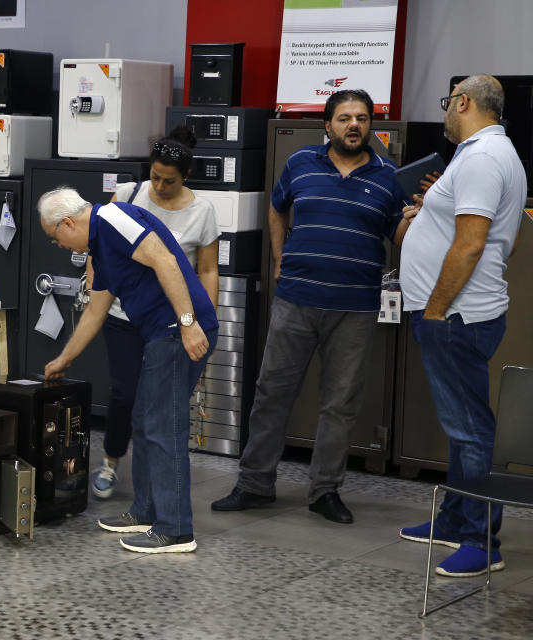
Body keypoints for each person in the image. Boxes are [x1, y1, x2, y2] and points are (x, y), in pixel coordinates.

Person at [210, 89, 414, 524]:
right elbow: (277, 208)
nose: (354, 125)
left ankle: (324, 492)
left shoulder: (388, 177)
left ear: (371, 126)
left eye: (362, 118)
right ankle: (254, 484)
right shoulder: (300, 163)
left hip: (355, 308)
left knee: (340, 404)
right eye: (344, 118)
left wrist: (418, 215)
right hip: (296, 301)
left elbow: (398, 236)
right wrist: (280, 259)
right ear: (328, 125)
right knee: (271, 394)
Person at [39, 186, 217, 553]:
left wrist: (187, 323)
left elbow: (166, 261)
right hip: (163, 334)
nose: (59, 246)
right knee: (145, 420)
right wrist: (64, 358)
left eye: (55, 238)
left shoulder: (113, 218)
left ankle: (176, 529)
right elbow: (96, 310)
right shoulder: (101, 250)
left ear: (68, 223)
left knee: (164, 427)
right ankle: (147, 511)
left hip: (178, 331)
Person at [398, 74, 525, 577]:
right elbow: (504, 243)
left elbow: (472, 244)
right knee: (460, 427)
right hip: (464, 312)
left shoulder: (480, 158)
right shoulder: (496, 155)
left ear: (463, 101)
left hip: (456, 315)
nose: (446, 112)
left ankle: (481, 540)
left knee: (471, 432)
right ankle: (454, 519)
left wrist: (435, 307)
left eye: (448, 103)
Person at [91, 126, 220, 500]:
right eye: (155, 178)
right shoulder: (128, 196)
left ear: (186, 177)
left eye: (170, 181)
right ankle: (111, 461)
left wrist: (203, 323)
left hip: (172, 323)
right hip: (124, 316)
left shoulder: (203, 212)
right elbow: (99, 246)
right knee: (125, 393)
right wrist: (93, 290)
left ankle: (154, 488)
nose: (160, 187)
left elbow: (207, 270)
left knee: (162, 404)